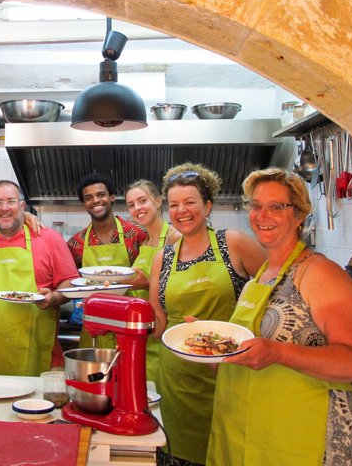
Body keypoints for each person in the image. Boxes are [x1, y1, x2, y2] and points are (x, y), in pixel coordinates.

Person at [206, 168, 352, 466]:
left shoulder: (319, 272)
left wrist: (279, 353)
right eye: (256, 206)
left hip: (301, 439)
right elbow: (247, 350)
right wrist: (211, 345)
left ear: (299, 215)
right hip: (249, 435)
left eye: (276, 207)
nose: (262, 215)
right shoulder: (257, 279)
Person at [149, 163, 267, 466]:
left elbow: (276, 292)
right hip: (176, 381)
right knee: (178, 453)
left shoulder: (234, 243)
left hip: (228, 373)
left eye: (190, 202)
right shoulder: (163, 259)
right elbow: (159, 324)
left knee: (227, 452)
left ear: (208, 205)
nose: (182, 211)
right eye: (174, 205)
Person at [0, 180, 79, 376]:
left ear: (22, 206)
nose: (4, 208)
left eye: (11, 201)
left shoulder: (49, 239)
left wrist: (55, 298)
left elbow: (71, 282)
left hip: (39, 349)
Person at [67, 173, 149, 349]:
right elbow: (68, 281)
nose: (96, 201)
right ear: (84, 204)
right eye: (89, 198)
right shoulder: (76, 243)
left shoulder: (138, 234)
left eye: (101, 195)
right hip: (93, 326)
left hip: (131, 325)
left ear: (112, 197)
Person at [124, 179, 180, 389]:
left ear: (157, 201)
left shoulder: (174, 238)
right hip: (143, 334)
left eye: (142, 200)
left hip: (163, 333)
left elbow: (178, 289)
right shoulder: (146, 242)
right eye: (131, 204)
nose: (137, 208)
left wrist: (146, 284)